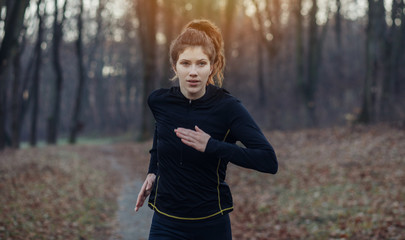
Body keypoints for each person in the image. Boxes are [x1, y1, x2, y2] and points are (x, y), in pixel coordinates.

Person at [135, 19, 278, 240]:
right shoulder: (159, 101)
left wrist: (212, 146)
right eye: (185, 63)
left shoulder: (228, 108)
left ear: (212, 66)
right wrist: (153, 171)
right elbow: (160, 133)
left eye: (201, 64)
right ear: (175, 66)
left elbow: (268, 160)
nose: (193, 72)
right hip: (165, 223)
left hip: (211, 224)